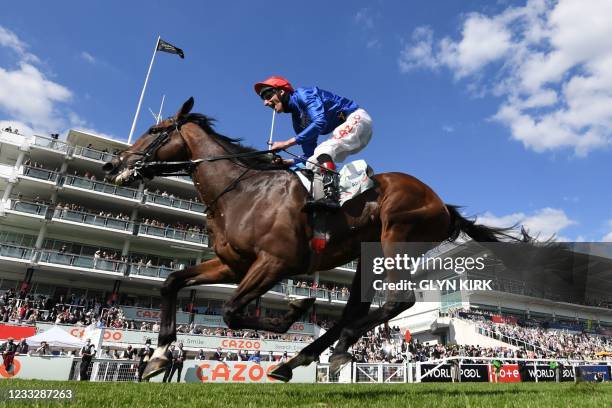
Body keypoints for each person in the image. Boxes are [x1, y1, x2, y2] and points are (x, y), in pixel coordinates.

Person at [254, 76, 373, 210]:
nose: (265, 102)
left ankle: (332, 196)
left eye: (268, 95)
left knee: (323, 150)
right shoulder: (298, 121)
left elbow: (319, 122)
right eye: (262, 98)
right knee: (314, 162)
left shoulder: (304, 94)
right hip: (349, 129)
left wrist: (286, 143)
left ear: (282, 91)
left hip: (357, 118)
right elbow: (309, 156)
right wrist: (287, 162)